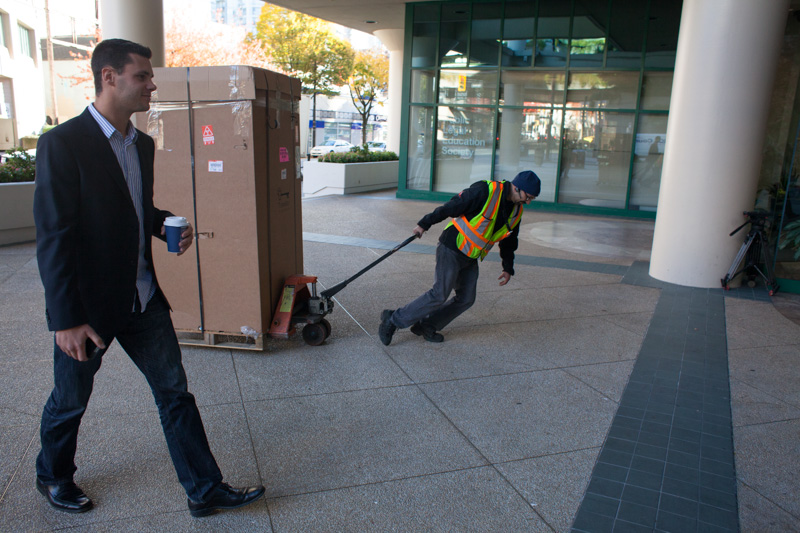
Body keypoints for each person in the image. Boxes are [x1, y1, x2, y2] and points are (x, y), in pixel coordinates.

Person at [33, 39, 264, 518]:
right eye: (142, 76)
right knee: (71, 400)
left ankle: (204, 489)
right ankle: (53, 476)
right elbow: (54, 236)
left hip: (143, 300)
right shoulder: (63, 143)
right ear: (109, 77)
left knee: (174, 394)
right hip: (89, 308)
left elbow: (136, 209)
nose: (152, 85)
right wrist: (65, 319)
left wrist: (163, 225)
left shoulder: (142, 144)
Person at [378, 171, 540, 345]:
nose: (528, 202)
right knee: (439, 294)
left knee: (466, 299)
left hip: (471, 255)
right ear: (517, 187)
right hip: (452, 247)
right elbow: (452, 206)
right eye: (528, 197)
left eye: (532, 199)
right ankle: (393, 320)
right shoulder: (486, 191)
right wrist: (425, 223)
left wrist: (508, 267)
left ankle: (426, 325)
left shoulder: (516, 211)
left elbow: (509, 240)